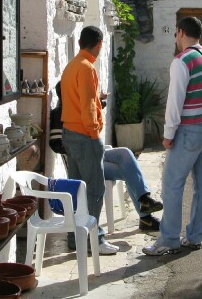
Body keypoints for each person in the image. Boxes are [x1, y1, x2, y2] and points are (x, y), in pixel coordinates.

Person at [143, 16, 202, 256]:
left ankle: (168, 239)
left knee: (172, 184)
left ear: (180, 32)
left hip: (189, 130)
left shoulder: (182, 61)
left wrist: (168, 134)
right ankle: (195, 236)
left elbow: (174, 103)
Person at [50, 83, 163, 231]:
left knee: (125, 153)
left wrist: (99, 99)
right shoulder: (59, 114)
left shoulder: (79, 109)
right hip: (82, 164)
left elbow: (95, 107)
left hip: (95, 154)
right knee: (126, 170)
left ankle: (144, 199)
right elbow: (56, 144)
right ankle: (146, 218)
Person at [60, 26, 119, 254]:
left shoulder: (72, 65)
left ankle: (75, 238)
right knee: (94, 189)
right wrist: (95, 134)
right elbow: (87, 107)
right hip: (84, 136)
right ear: (99, 44)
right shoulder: (86, 67)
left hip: (70, 133)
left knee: (77, 190)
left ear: (80, 43)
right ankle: (94, 239)